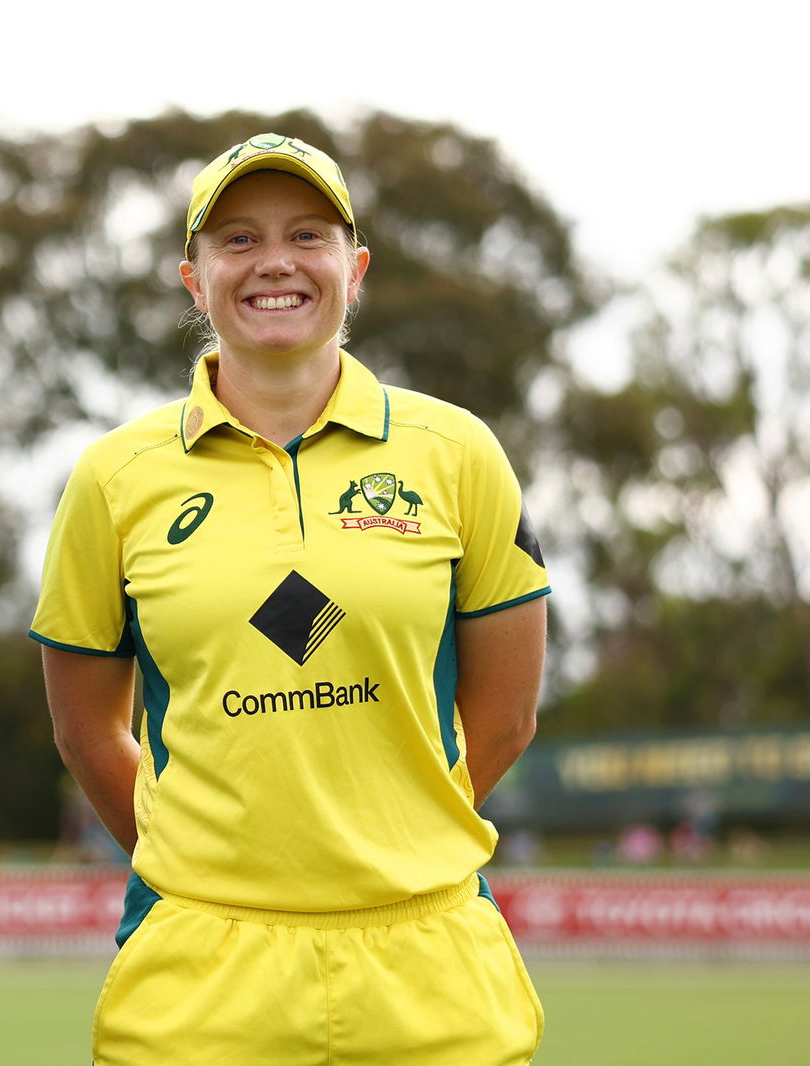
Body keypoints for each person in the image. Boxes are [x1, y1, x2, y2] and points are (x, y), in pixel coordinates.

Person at [30, 133, 550, 1064]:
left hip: (429, 960)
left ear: (354, 270)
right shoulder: (114, 478)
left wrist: (393, 834)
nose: (275, 261)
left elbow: (505, 719)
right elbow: (85, 729)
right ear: (193, 279)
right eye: (236, 240)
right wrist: (201, 861)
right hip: (201, 968)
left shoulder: (458, 452)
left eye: (307, 235)